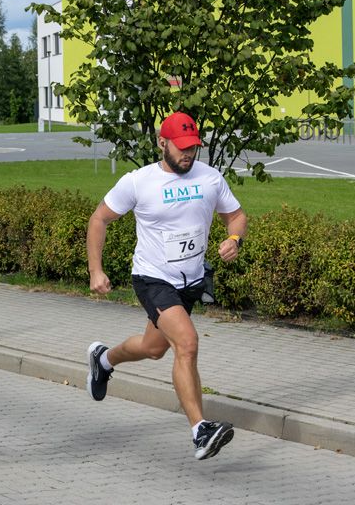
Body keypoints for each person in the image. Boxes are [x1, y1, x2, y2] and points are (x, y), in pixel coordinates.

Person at [85, 112, 247, 461]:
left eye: (193, 148)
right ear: (162, 142)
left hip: (190, 281)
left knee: (153, 347)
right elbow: (99, 218)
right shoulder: (138, 182)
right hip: (153, 278)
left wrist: (234, 238)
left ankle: (104, 360)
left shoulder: (210, 178)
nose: (188, 154)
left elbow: (236, 215)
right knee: (186, 343)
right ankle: (200, 430)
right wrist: (95, 270)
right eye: (182, 147)